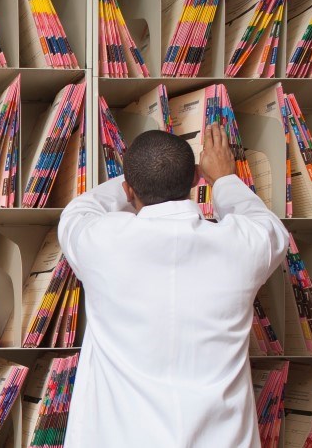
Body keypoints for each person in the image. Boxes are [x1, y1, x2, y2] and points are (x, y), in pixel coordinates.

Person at [59, 124, 288, 447]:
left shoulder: (101, 242)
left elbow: (79, 210)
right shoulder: (246, 246)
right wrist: (222, 178)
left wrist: (139, 174)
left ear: (128, 190)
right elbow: (265, 224)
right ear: (196, 180)